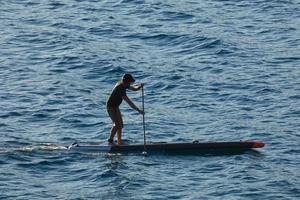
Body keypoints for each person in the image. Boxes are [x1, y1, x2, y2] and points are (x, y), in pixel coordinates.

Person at [106, 74, 144, 145]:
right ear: (126, 81)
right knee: (117, 124)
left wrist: (139, 87)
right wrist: (138, 110)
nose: (131, 83)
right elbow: (129, 102)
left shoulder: (124, 84)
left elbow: (133, 88)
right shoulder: (119, 88)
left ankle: (119, 142)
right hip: (110, 107)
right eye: (130, 82)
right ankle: (110, 141)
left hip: (116, 106)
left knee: (120, 125)